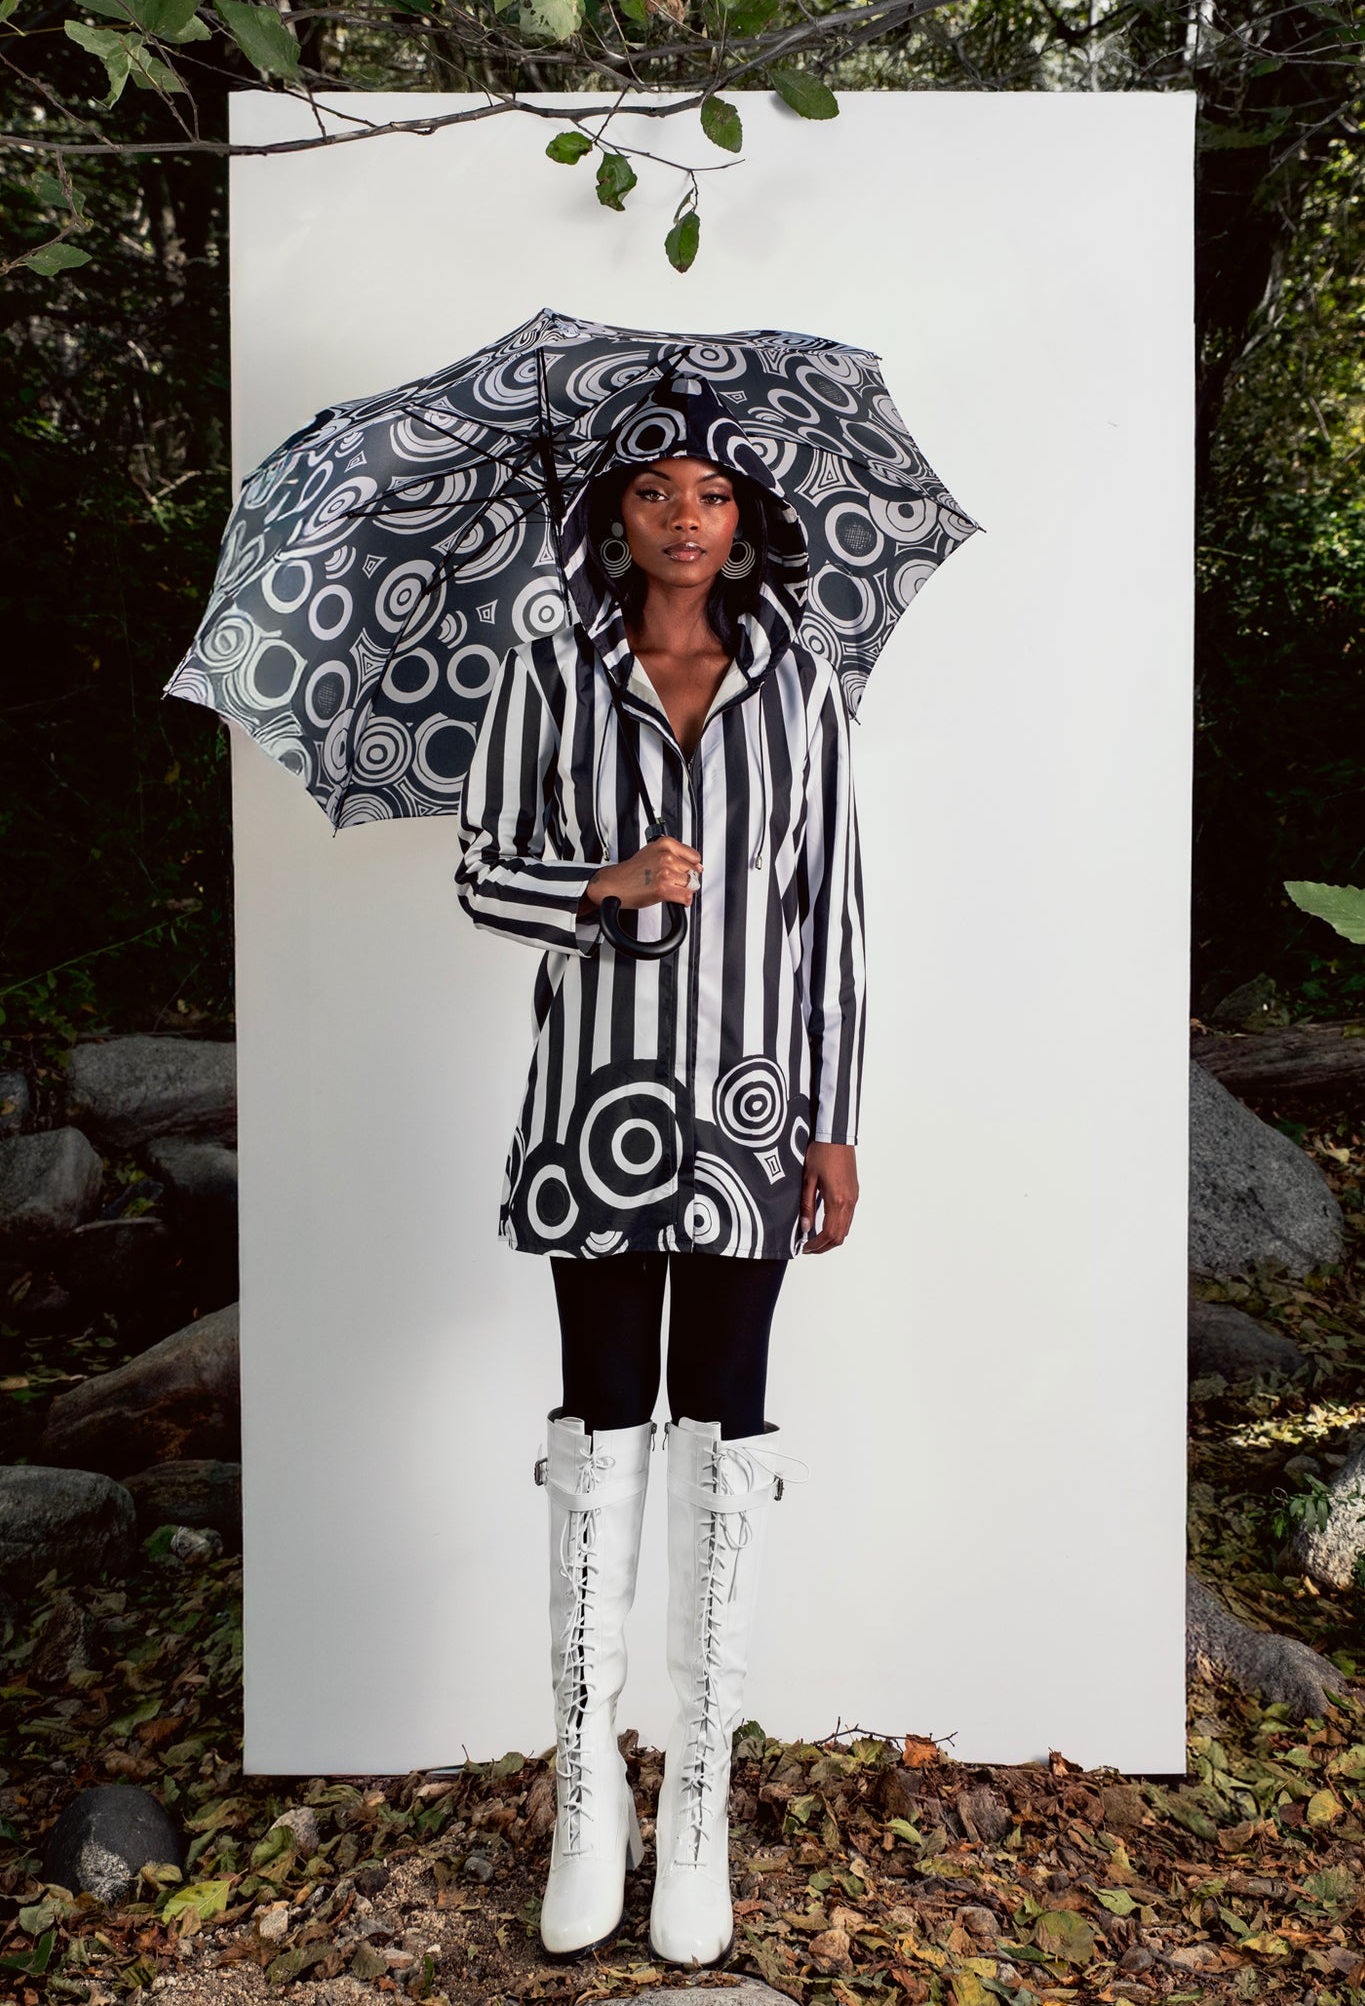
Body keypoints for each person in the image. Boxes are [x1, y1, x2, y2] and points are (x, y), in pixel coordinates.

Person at [454, 446, 866, 1969]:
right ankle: (587, 1788)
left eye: (706, 494)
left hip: (757, 1114)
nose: (680, 519)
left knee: (725, 1426)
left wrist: (835, 1122)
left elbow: (833, 911)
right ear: (610, 521)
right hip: (597, 1112)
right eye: (647, 495)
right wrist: (606, 883)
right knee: (601, 1420)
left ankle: (696, 1799)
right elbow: (481, 876)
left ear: (743, 517)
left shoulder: (797, 688)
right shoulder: (548, 674)